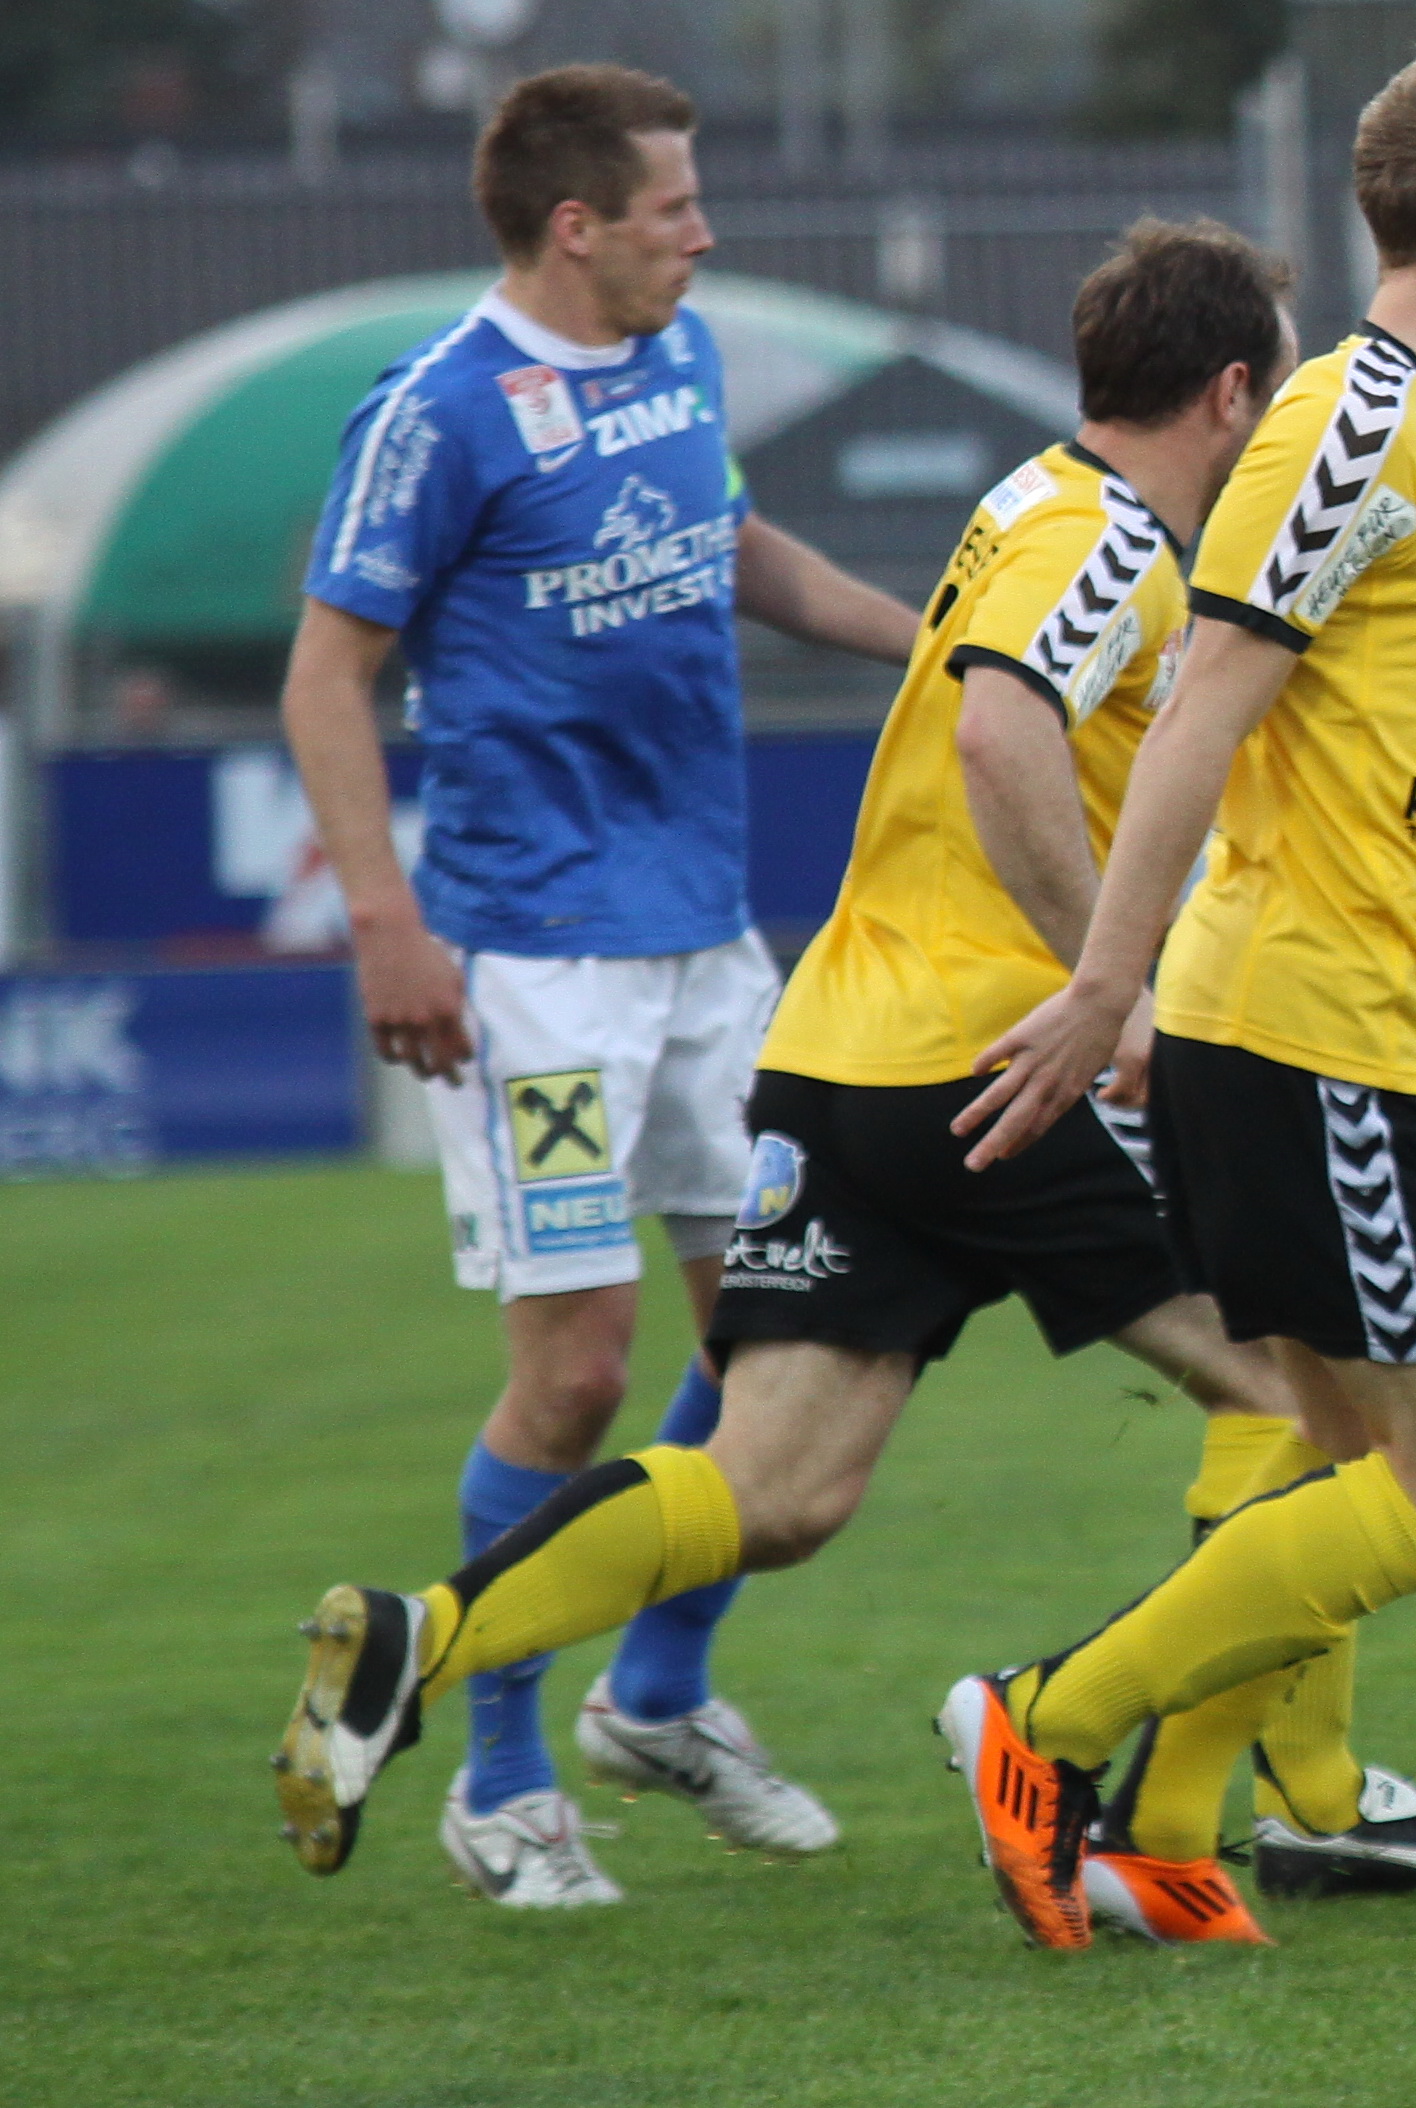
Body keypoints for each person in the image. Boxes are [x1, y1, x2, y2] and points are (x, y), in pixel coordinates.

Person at [272, 37, 1416, 1954]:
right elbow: (1178, 707)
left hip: (1050, 1034)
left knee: (1079, 1458)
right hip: (1263, 1028)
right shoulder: (1337, 427)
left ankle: (1141, 1813)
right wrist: (1107, 981)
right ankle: (1078, 1732)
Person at [273, 216, 1416, 1944]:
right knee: (1313, 1404)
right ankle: (1278, 1803)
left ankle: (420, 1637)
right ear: (1233, 393)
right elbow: (1003, 728)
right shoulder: (1115, 539)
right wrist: (1112, 991)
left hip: (838, 1059)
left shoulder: (1026, 500)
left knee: (774, 1487)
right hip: (997, 1061)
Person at [279, 63, 919, 1908]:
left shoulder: (677, 357)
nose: (701, 236)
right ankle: (498, 1784)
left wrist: (941, 643)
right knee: (573, 1376)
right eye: (673, 209)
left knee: (773, 1343)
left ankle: (657, 1696)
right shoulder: (435, 411)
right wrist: (385, 923)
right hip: (538, 963)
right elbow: (327, 677)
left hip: (708, 943)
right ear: (576, 226)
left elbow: (734, 548)